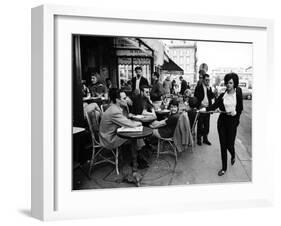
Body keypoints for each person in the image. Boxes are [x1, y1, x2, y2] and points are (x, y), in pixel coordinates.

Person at [200, 73, 243, 176]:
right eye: (227, 82)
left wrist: (236, 112)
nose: (228, 85)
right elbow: (214, 105)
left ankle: (233, 154)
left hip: (232, 123)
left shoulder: (238, 93)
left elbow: (240, 108)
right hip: (222, 122)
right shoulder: (223, 95)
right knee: (223, 145)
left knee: (230, 145)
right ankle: (224, 168)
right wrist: (205, 109)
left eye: (230, 83)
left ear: (234, 83)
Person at [99, 88, 143, 171]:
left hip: (110, 134)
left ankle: (138, 156)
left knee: (135, 134)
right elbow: (128, 123)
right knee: (135, 136)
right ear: (117, 100)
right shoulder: (114, 111)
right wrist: (139, 122)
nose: (126, 100)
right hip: (109, 139)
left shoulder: (115, 108)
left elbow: (124, 120)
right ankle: (136, 161)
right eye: (124, 98)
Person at [194, 73, 215, 145]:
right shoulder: (198, 87)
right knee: (200, 124)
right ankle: (199, 139)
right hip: (201, 108)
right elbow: (195, 98)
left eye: (208, 80)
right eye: (206, 80)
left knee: (207, 125)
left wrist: (210, 90)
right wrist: (200, 105)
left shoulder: (209, 88)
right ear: (203, 80)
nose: (207, 81)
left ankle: (205, 139)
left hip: (207, 108)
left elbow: (212, 97)